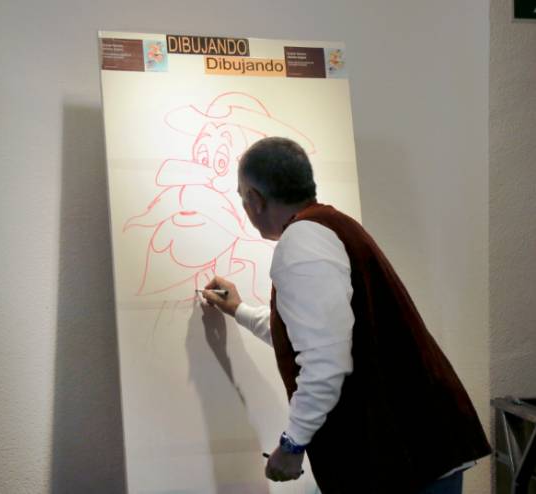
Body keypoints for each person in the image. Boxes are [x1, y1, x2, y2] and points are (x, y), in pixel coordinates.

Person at [200, 137, 491, 494]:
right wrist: (238, 309)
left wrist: (292, 445)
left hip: (406, 455)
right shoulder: (330, 225)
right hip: (420, 445)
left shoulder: (302, 242)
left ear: (256, 199)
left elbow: (325, 359)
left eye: (243, 197)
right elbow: (312, 334)